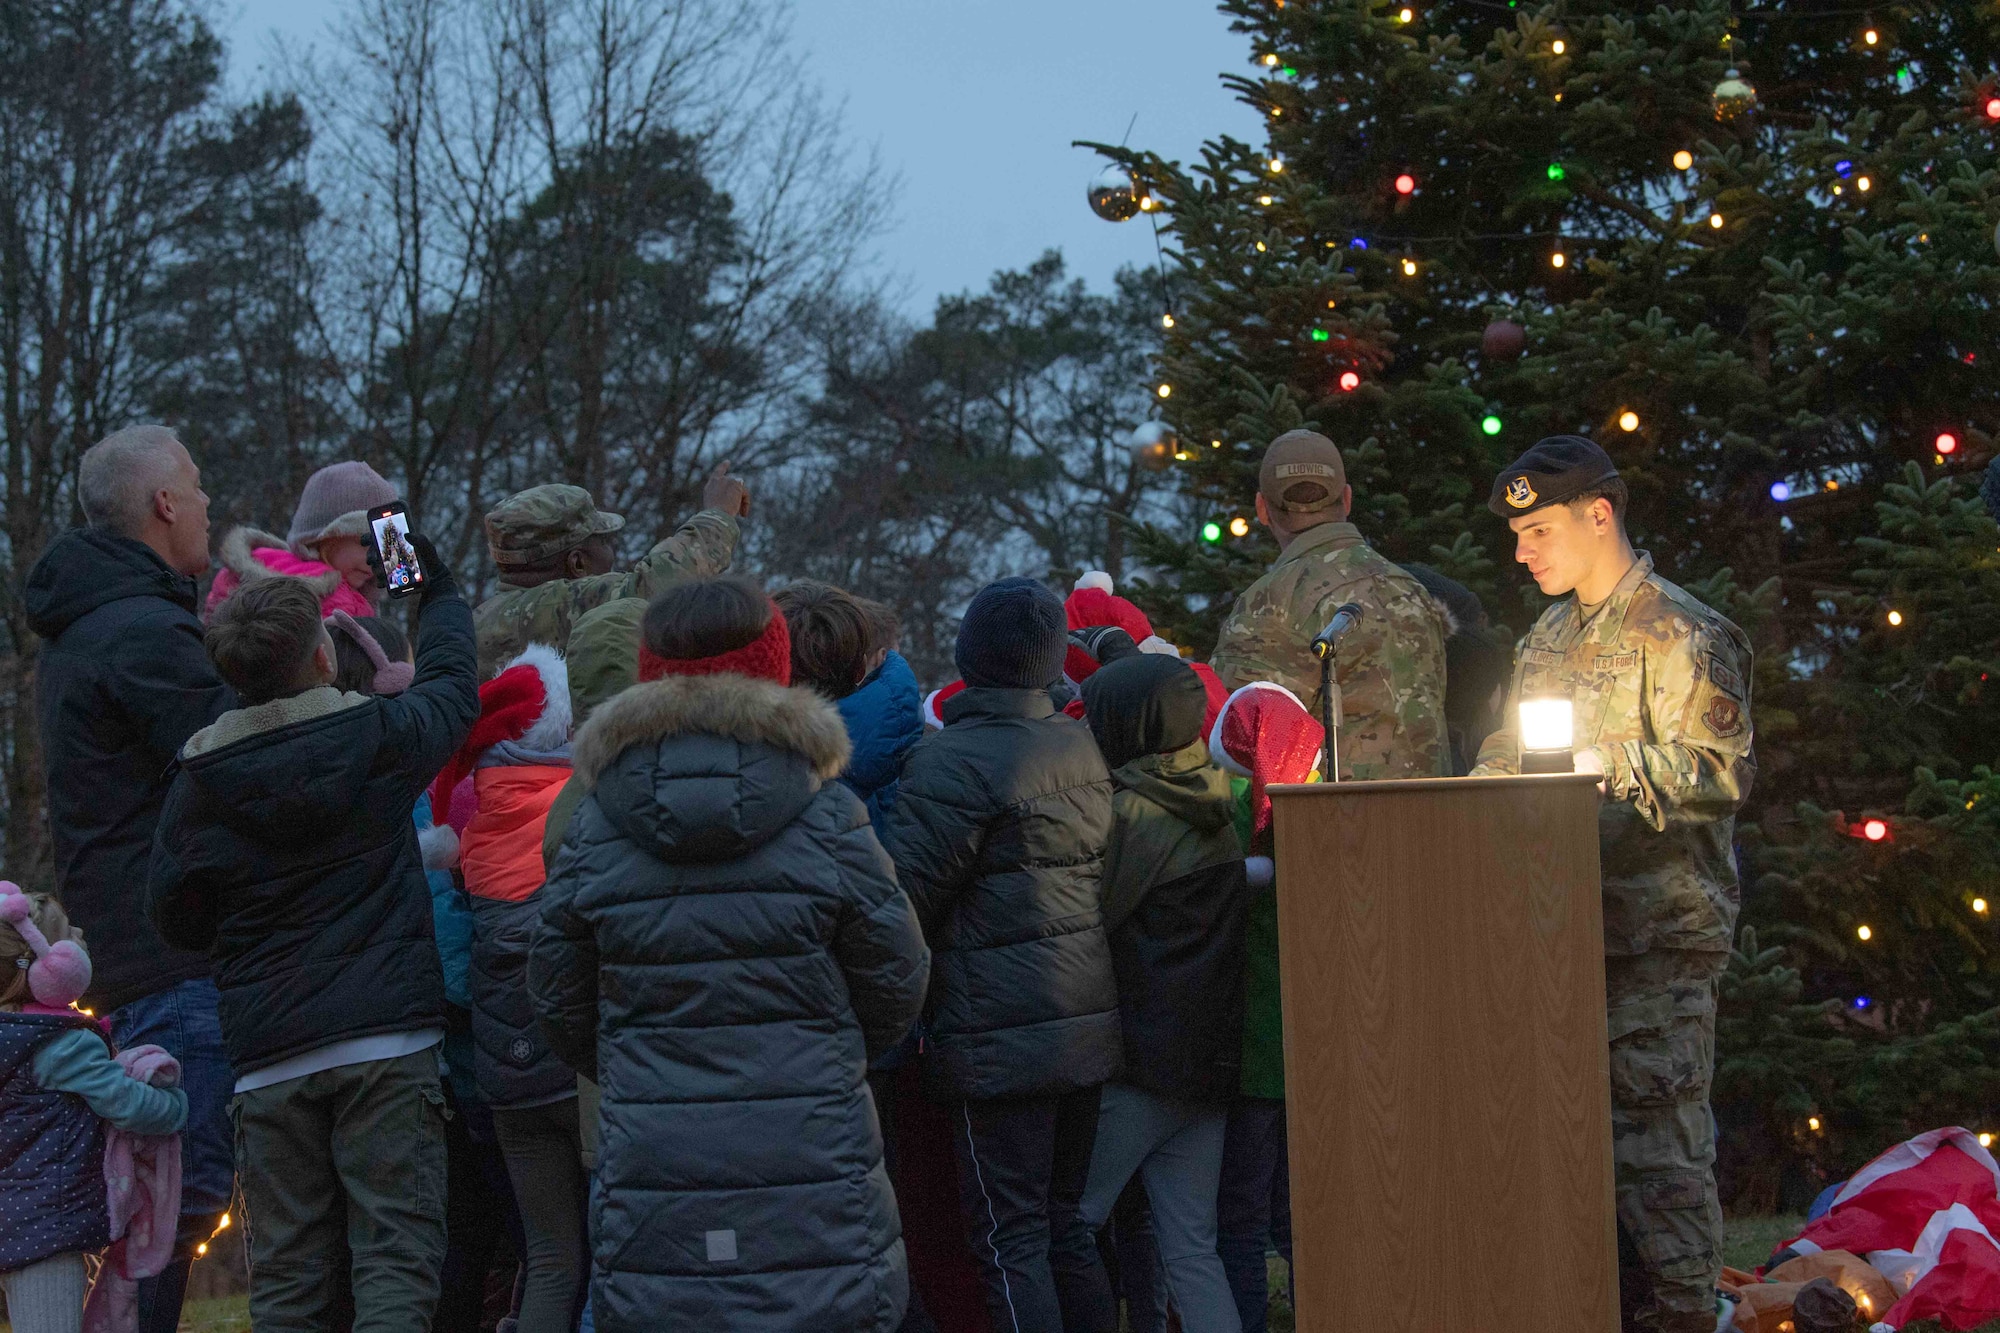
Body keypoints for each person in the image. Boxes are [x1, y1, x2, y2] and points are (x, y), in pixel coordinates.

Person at [529, 576, 929, 1332]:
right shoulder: (827, 816)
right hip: (812, 1146)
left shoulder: (596, 827)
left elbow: (557, 996)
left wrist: (640, 1057)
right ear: (774, 669)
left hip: (657, 1153)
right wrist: (826, 1051)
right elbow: (897, 973)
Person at [147, 543, 479, 1332]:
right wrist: (416, 565)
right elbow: (451, 685)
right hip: (388, 1042)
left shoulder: (197, 785)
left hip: (270, 1056)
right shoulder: (378, 737)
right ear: (325, 654)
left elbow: (173, 915)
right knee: (396, 1258)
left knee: (290, 1274)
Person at [1470, 435, 1755, 1333]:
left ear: (1602, 514)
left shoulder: (1684, 632)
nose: (1523, 552)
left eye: (1540, 529)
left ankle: (1682, 1313)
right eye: (1516, 535)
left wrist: (1611, 763)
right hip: (1556, 929)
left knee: (1657, 1155)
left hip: (1659, 934)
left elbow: (1721, 770)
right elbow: (1506, 749)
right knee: (1561, 1149)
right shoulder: (1546, 640)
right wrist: (1478, 792)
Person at [24, 424, 237, 1333]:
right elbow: (237, 758)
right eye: (196, 484)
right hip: (175, 956)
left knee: (163, 1204)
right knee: (178, 1208)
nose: (205, 502)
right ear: (163, 503)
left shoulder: (90, 624)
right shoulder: (143, 630)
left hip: (137, 951)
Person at [879, 577, 1122, 1333]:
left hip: (996, 1039)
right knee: (1065, 1225)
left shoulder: (954, 761)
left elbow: (903, 903)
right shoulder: (1079, 743)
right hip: (1083, 1021)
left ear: (967, 655)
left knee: (1010, 1236)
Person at [1072, 653, 1251, 1333]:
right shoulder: (1214, 799)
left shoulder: (1130, 816)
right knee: (1191, 1249)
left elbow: (1088, 918)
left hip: (1138, 1067)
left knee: (1069, 1225)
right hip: (1205, 1065)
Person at [435, 644, 587, 1333]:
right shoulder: (581, 806)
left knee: (551, 1258)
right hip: (577, 1060)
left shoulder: (476, 821)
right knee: (614, 1246)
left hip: (506, 1074)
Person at [1209, 429, 1450, 781]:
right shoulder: (1410, 589)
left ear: (1262, 509)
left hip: (1334, 825)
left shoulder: (1271, 601)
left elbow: (1233, 741)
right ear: (1347, 499)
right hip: (1436, 821)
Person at [1, 887, 189, 1333]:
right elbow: (126, 1105)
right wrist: (175, 1104)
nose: (81, 933)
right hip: (45, 1227)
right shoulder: (58, 1042)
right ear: (48, 966)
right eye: (69, 933)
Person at [1207, 682, 1324, 1333]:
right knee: (1297, 1215)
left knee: (1243, 1217)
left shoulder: (1229, 814)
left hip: (1254, 1049)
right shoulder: (1331, 803)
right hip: (1312, 1043)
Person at [473, 462, 750, 678]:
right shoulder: (551, 608)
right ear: (578, 563)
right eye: (604, 542)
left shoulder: (475, 623)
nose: (612, 554)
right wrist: (719, 513)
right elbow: (653, 591)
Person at [205, 460, 400, 621]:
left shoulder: (254, 566)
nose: (377, 557)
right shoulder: (339, 602)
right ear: (328, 537)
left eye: (385, 546)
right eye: (367, 542)